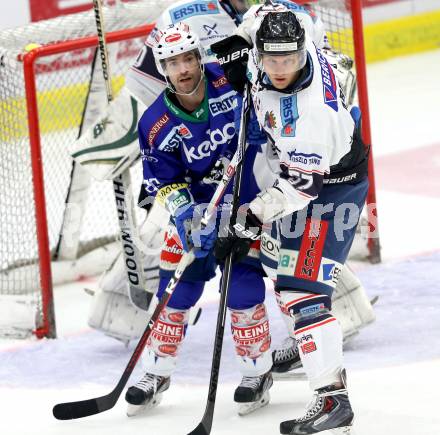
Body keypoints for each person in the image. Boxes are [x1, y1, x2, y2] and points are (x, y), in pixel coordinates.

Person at [77, 0, 374, 375]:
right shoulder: (181, 16)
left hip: (272, 155)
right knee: (173, 234)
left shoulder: (285, 14)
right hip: (199, 160)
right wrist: (121, 143)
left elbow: (329, 68)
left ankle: (323, 329)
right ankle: (121, 318)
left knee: (294, 239)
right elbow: (144, 92)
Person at [211, 5, 369, 434]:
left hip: (332, 186)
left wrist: (250, 217)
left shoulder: (311, 119)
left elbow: (300, 190)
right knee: (280, 265)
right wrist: (242, 41)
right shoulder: (288, 25)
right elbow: (265, 15)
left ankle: (333, 400)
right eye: (272, 58)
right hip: (299, 168)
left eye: (290, 60)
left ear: (303, 53)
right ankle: (311, 346)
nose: (281, 69)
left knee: (300, 290)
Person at [124, 22, 275, 417]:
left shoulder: (229, 80)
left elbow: (270, 89)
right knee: (177, 289)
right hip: (199, 209)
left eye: (189, 58)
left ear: (198, 58)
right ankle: (156, 371)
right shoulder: (155, 123)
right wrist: (187, 215)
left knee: (241, 284)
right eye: (173, 63)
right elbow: (163, 180)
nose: (184, 69)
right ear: (163, 68)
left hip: (248, 203)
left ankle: (257, 372)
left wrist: (262, 120)